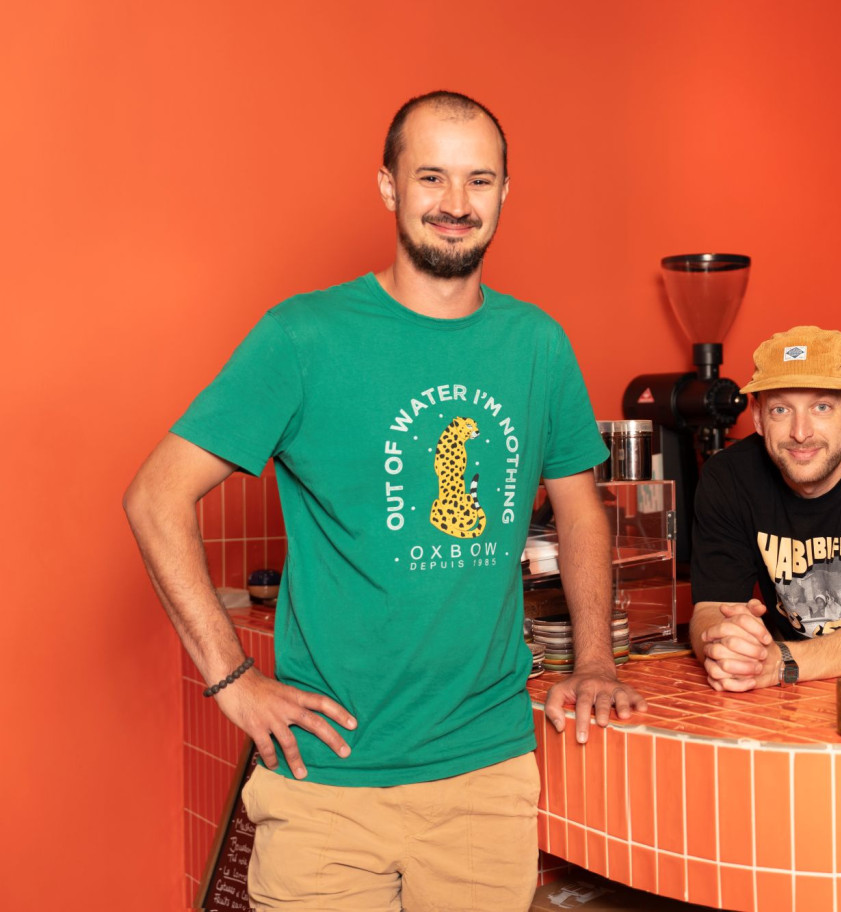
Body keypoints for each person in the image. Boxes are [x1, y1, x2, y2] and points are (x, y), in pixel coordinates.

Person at [123, 90, 644, 911]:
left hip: (485, 774)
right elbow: (155, 496)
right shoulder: (303, 336)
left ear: (505, 193)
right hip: (324, 784)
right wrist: (231, 681)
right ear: (388, 187)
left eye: (479, 181)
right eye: (430, 177)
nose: (455, 204)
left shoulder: (537, 342)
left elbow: (580, 510)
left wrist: (595, 660)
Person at [688, 325, 841, 691]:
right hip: (787, 696)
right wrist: (726, 644)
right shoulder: (727, 479)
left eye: (821, 407)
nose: (800, 432)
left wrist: (782, 662)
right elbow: (710, 608)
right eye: (780, 409)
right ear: (758, 418)